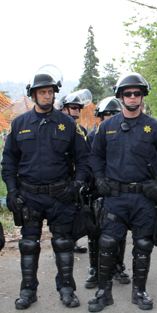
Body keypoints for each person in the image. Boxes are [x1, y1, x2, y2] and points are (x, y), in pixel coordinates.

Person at [1, 66, 91, 310]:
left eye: (50, 92)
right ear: (33, 95)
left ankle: (66, 289)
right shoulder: (19, 124)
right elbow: (8, 161)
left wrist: (77, 186)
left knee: (63, 243)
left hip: (61, 195)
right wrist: (11, 191)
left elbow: (83, 158)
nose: (47, 96)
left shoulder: (67, 124)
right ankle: (28, 291)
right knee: (29, 244)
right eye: (42, 92)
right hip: (29, 195)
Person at [88, 73, 157, 312]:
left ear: (143, 96)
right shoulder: (107, 126)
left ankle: (139, 292)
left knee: (143, 245)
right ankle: (104, 292)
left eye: (137, 93)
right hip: (115, 197)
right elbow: (95, 155)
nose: (133, 97)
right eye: (128, 93)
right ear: (121, 96)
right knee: (107, 243)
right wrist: (99, 178)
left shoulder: (154, 127)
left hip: (143, 198)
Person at [84, 97, 130, 289]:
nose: (110, 117)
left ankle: (118, 265)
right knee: (95, 232)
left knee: (119, 232)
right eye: (106, 115)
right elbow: (87, 163)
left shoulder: (125, 134)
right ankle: (94, 268)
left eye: (114, 114)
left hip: (117, 192)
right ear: (99, 117)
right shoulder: (92, 137)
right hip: (96, 191)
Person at [59, 89, 93, 254]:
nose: (76, 111)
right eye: (73, 107)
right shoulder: (57, 127)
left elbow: (83, 154)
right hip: (60, 177)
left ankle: (72, 241)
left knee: (77, 209)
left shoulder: (80, 129)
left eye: (78, 108)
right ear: (64, 108)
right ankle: (63, 242)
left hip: (76, 177)